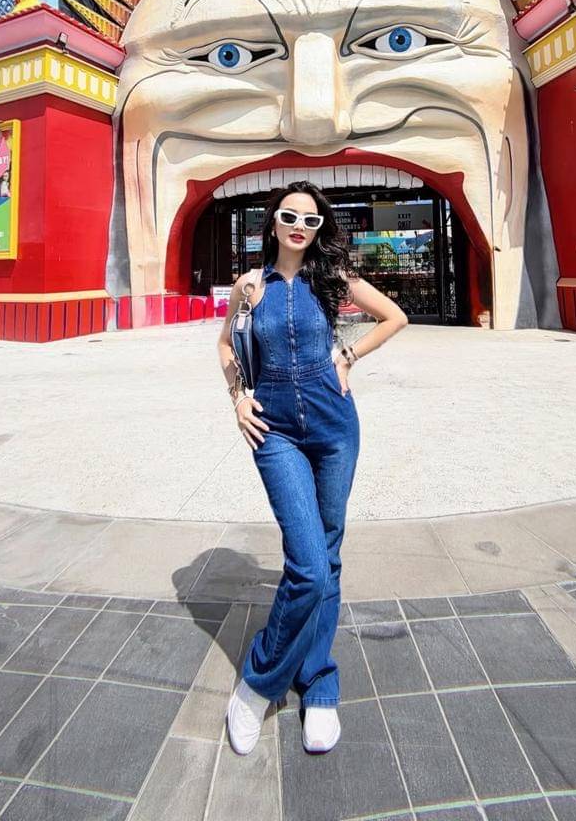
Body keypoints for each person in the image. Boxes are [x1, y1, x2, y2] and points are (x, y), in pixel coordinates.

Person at [217, 180, 408, 756]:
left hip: (333, 425)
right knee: (308, 566)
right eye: (289, 216)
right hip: (274, 429)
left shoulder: (334, 279)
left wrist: (348, 355)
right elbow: (227, 346)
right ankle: (258, 682)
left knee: (327, 555)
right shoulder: (250, 286)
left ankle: (320, 684)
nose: (300, 226)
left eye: (311, 219)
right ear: (271, 223)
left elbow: (394, 317)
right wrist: (238, 396)